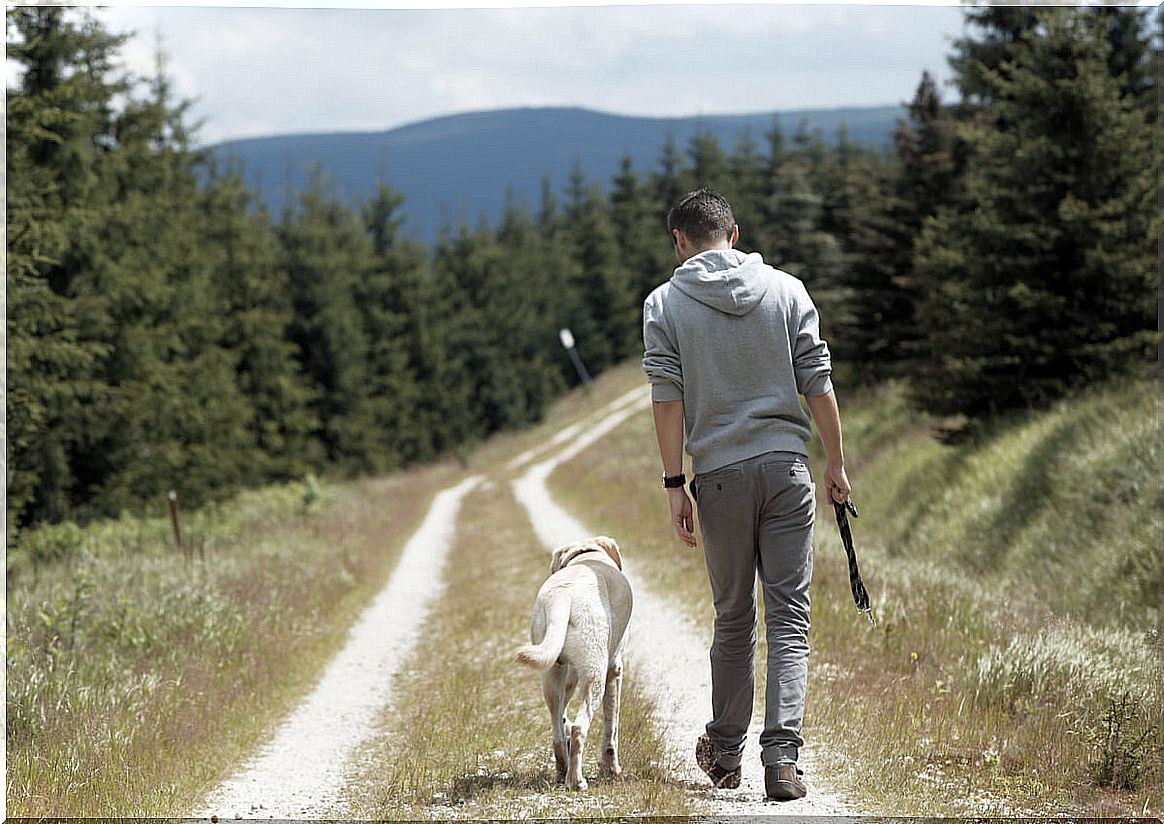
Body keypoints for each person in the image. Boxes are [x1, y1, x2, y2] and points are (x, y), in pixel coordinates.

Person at [641, 188, 851, 802]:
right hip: (789, 470)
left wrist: (674, 484)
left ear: (680, 241)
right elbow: (818, 380)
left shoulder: (664, 304)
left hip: (721, 479)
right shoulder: (788, 291)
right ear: (734, 234)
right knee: (789, 619)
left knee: (734, 617)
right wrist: (835, 463)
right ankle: (782, 762)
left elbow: (667, 398)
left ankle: (726, 751)